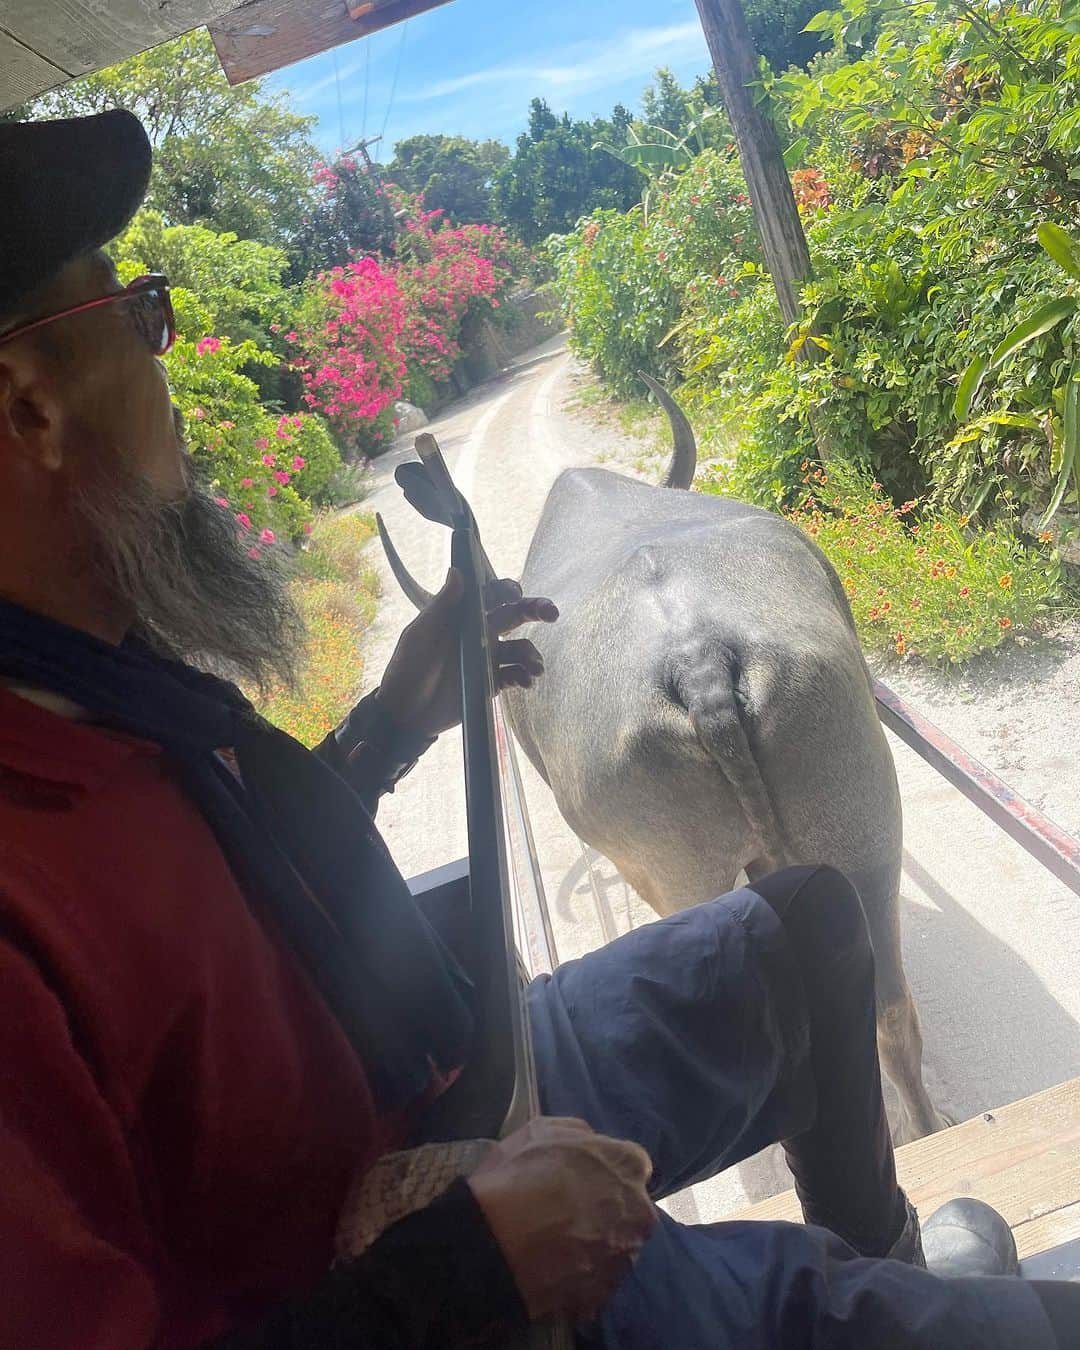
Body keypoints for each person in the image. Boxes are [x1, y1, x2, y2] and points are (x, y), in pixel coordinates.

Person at [0, 108, 1074, 1350]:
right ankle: (886, 1308)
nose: (165, 369)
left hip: (438, 1074)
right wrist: (476, 1266)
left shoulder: (93, 680)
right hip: (403, 1265)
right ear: (30, 404)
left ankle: (881, 1248)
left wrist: (394, 721)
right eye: (136, 318)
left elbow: (235, 885)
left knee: (810, 922)